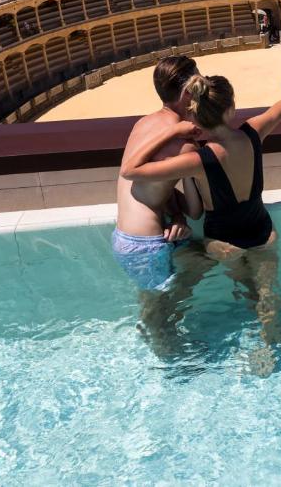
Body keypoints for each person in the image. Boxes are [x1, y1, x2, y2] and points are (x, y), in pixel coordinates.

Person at [121, 68, 281, 371]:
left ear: (195, 116)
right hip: (262, 233)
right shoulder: (253, 133)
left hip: (223, 243)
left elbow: (131, 171)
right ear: (231, 109)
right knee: (266, 294)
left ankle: (163, 322)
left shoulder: (197, 160)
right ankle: (271, 346)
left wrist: (171, 132)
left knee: (225, 276)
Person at [113, 56, 212, 354]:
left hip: (128, 239)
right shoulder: (182, 141)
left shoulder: (144, 123)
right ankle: (171, 357)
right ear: (187, 93)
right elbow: (198, 209)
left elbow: (160, 183)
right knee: (163, 313)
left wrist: (176, 213)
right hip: (147, 245)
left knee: (195, 259)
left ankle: (152, 324)